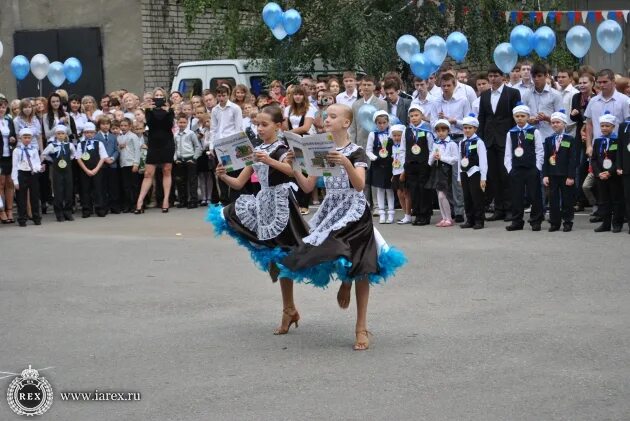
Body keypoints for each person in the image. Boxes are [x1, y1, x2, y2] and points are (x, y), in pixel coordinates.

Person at [281, 104, 406, 351]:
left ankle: (361, 327)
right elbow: (308, 187)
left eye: (333, 116)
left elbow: (359, 185)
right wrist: (296, 165)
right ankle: (344, 280)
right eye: (326, 116)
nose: (327, 119)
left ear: (346, 123)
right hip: (331, 209)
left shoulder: (357, 152)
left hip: (354, 211)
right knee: (320, 248)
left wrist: (346, 163)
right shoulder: (320, 148)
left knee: (362, 267)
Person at [208, 105, 310, 335]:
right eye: (257, 124)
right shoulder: (257, 149)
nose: (260, 129)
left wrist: (269, 160)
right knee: (275, 259)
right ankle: (289, 308)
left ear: (278, 125)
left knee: (288, 257)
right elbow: (239, 183)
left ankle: (289, 309)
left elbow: (291, 169)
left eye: (265, 124)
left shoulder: (282, 148)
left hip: (282, 207)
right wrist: (223, 175)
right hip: (263, 205)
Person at [478, 64, 522, 221]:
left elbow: (516, 116)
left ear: (503, 77)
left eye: (496, 75)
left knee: (507, 175)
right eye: (490, 76)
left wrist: (515, 138)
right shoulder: (484, 95)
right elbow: (482, 118)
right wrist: (481, 139)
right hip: (489, 139)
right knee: (493, 175)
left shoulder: (513, 93)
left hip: (506, 138)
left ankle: (510, 208)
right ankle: (499, 209)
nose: (493, 79)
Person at [431, 72, 470, 223]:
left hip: (458, 138)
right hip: (443, 140)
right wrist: (440, 122)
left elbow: (468, 120)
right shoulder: (436, 101)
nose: (446, 88)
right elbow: (433, 121)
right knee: (443, 177)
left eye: (448, 85)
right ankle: (450, 209)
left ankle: (459, 210)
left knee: (456, 177)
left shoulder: (462, 100)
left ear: (454, 85)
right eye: (443, 86)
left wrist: (453, 121)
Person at [504, 103, 544, 231]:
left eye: (522, 116)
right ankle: (517, 221)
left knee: (534, 195)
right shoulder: (511, 133)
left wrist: (538, 167)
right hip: (516, 168)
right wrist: (510, 168)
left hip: (531, 168)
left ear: (527, 117)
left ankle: (536, 220)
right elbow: (508, 152)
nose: (520, 118)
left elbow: (539, 150)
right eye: (517, 116)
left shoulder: (534, 131)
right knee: (516, 196)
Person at [135, 87, 175, 214]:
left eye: (160, 95)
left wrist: (168, 111)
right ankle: (139, 202)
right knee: (148, 173)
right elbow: (151, 124)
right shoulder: (148, 110)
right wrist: (148, 108)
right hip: (153, 144)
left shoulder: (170, 110)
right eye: (156, 95)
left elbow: (169, 125)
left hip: (167, 143)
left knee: (167, 171)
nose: (158, 97)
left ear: (164, 97)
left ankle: (166, 200)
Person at [542, 111, 579, 232]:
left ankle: (568, 222)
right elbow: (546, 158)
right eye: (552, 123)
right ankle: (554, 222)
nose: (555, 125)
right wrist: (545, 175)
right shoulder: (548, 140)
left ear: (564, 124)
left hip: (565, 175)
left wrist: (571, 176)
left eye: (557, 122)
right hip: (552, 174)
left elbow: (572, 159)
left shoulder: (570, 139)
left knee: (567, 199)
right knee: (553, 200)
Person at [584, 69, 630, 158]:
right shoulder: (593, 101)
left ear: (613, 81)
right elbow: (589, 124)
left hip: (618, 147)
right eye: (599, 82)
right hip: (597, 147)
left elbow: (628, 126)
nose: (602, 85)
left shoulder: (624, 100)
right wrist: (589, 145)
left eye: (605, 82)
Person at [592, 112, 623, 233]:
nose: (604, 128)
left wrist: (610, 172)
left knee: (616, 200)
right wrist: (598, 173)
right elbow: (594, 159)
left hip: (613, 175)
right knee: (603, 201)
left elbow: (619, 159)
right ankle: (605, 224)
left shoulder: (617, 141)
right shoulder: (598, 141)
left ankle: (617, 223)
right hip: (601, 176)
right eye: (602, 126)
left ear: (613, 127)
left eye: (607, 126)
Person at [570, 73, 597, 211]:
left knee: (594, 167)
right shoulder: (576, 97)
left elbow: (592, 118)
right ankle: (580, 200)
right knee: (579, 167)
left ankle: (595, 200)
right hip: (580, 135)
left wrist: (584, 123)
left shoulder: (596, 97)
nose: (581, 85)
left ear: (592, 83)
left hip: (593, 134)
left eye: (585, 82)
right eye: (580, 82)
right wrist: (573, 114)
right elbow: (575, 119)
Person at [404, 104, 434, 225]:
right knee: (414, 190)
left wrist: (429, 163)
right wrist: (403, 164)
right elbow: (402, 148)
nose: (414, 118)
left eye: (416, 115)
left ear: (421, 116)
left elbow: (432, 148)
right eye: (411, 116)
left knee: (424, 189)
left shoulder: (426, 130)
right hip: (411, 164)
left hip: (423, 164)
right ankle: (417, 214)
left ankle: (425, 215)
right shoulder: (407, 131)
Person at [457, 114, 487, 229]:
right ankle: (469, 220)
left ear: (475, 128)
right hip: (464, 173)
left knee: (477, 197)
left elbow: (483, 161)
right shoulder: (462, 143)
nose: (467, 130)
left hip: (475, 172)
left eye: (470, 128)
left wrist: (483, 177)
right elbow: (460, 160)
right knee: (467, 197)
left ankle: (479, 220)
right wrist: (459, 176)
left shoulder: (479, 142)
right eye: (465, 128)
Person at [427, 119, 458, 227]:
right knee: (438, 194)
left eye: (443, 130)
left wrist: (442, 158)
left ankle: (449, 218)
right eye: (438, 131)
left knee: (442, 195)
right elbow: (432, 155)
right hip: (437, 169)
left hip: (446, 170)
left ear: (448, 131)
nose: (440, 133)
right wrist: (431, 160)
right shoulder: (436, 143)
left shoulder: (452, 144)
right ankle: (444, 218)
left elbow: (455, 159)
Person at [41, 124, 76, 221]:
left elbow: (74, 154)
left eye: (62, 134)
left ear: (65, 135)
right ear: (55, 135)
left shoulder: (70, 145)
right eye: (58, 134)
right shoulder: (52, 145)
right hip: (57, 171)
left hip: (67, 170)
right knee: (58, 191)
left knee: (68, 190)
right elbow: (44, 154)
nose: (60, 135)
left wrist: (69, 159)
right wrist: (52, 160)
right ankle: (59, 212)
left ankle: (67, 211)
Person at [366, 111, 395, 224]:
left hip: (389, 164)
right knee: (380, 188)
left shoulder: (391, 133)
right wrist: (374, 157)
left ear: (388, 122)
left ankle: (391, 213)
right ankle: (382, 213)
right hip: (378, 164)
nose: (382, 125)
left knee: (389, 189)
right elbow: (368, 150)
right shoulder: (373, 134)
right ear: (376, 123)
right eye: (379, 123)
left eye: (384, 122)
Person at [12, 128, 43, 226]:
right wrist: (15, 181)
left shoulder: (33, 149)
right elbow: (15, 166)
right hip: (21, 173)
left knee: (34, 196)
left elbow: (37, 162)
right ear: (20, 138)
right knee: (21, 197)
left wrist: (39, 168)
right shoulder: (17, 150)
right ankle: (22, 218)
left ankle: (36, 217)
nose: (27, 139)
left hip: (32, 174)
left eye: (29, 137)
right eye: (25, 137)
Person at [76, 122, 108, 218]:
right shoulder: (80, 144)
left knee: (98, 189)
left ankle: (100, 208)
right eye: (87, 132)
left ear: (94, 133)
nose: (89, 134)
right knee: (85, 190)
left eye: (91, 132)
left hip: (97, 170)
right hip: (84, 170)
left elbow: (103, 157)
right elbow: (78, 158)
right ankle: (87, 209)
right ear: (84, 133)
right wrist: (87, 170)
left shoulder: (99, 143)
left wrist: (96, 169)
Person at [524, 63, 563, 140]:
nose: (536, 79)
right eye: (534, 76)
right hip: (530, 136)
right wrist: (528, 120)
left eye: (539, 76)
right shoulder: (526, 94)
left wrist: (547, 118)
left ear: (546, 76)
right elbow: (522, 115)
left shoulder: (555, 94)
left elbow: (561, 119)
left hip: (549, 136)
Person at [174, 113, 202, 209]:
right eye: (180, 122)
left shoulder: (191, 133)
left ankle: (193, 201)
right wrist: (175, 159)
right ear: (177, 123)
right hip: (180, 160)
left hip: (190, 159)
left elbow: (198, 146)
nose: (182, 124)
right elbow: (174, 147)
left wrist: (194, 158)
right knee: (181, 181)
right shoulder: (176, 134)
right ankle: (183, 201)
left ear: (187, 122)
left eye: (184, 122)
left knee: (192, 181)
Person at [94, 115, 120, 214]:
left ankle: (114, 206)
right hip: (102, 165)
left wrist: (112, 158)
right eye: (103, 124)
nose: (105, 126)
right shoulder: (96, 137)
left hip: (112, 164)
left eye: (107, 124)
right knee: (102, 186)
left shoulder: (113, 137)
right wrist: (104, 159)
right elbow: (96, 152)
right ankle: (103, 207)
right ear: (99, 125)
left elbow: (116, 150)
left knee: (113, 186)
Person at [117, 118, 142, 213]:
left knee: (134, 185)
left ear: (130, 126)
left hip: (132, 163)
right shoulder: (119, 137)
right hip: (123, 164)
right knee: (126, 185)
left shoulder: (133, 136)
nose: (123, 127)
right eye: (121, 126)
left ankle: (135, 204)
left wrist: (136, 163)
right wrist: (119, 147)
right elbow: (119, 151)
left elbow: (137, 150)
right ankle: (128, 204)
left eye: (125, 125)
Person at [0, 96, 18, 224]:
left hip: (10, 156)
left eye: (3, 106)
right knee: (0, 184)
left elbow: (14, 136)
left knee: (10, 183)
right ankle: (2, 211)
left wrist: (13, 139)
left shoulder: (9, 120)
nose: (1, 109)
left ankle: (10, 210)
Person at [389, 124, 410, 224]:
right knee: (399, 193)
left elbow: (405, 160)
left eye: (399, 135)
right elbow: (395, 160)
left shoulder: (405, 147)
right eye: (394, 135)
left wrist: (404, 172)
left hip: (403, 171)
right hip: (396, 172)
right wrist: (393, 174)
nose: (397, 138)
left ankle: (408, 215)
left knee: (406, 193)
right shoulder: (393, 146)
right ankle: (405, 213)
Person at [616, 116, 630, 234]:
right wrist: (619, 166)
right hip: (627, 167)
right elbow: (619, 146)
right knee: (627, 197)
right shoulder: (623, 126)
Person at [556, 69, 579, 136]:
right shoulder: (557, 92)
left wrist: (565, 127)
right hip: (558, 130)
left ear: (570, 78)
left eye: (563, 77)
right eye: (559, 77)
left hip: (571, 132)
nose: (560, 79)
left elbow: (574, 116)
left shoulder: (574, 93)